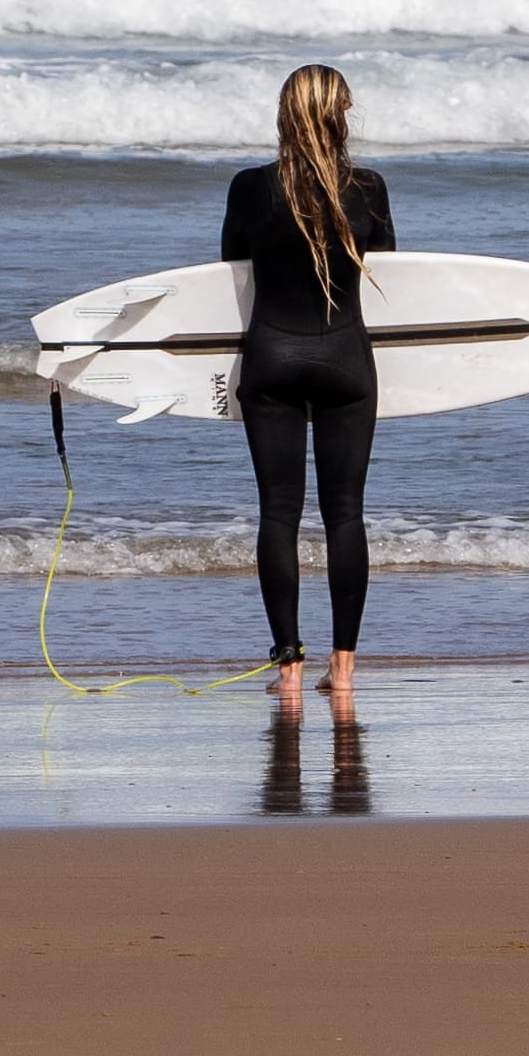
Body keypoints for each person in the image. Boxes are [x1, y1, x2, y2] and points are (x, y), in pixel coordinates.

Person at [221, 64, 395, 696]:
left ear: (283, 116)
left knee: (278, 514)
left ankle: (288, 669)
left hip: (270, 362)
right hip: (348, 362)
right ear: (341, 115)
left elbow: (230, 278)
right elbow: (393, 275)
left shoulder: (249, 189)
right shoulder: (369, 189)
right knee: (346, 515)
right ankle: (343, 670)